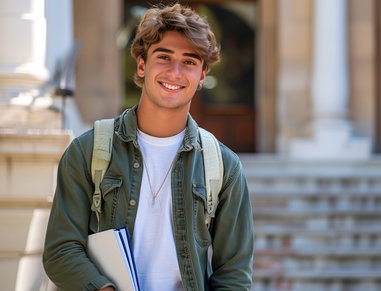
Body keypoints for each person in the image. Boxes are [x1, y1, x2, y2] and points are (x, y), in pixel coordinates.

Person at [43, 3, 254, 291]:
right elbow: (60, 250)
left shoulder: (224, 167)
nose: (175, 72)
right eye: (164, 57)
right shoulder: (88, 151)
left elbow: (234, 274)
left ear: (202, 75)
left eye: (190, 62)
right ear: (142, 65)